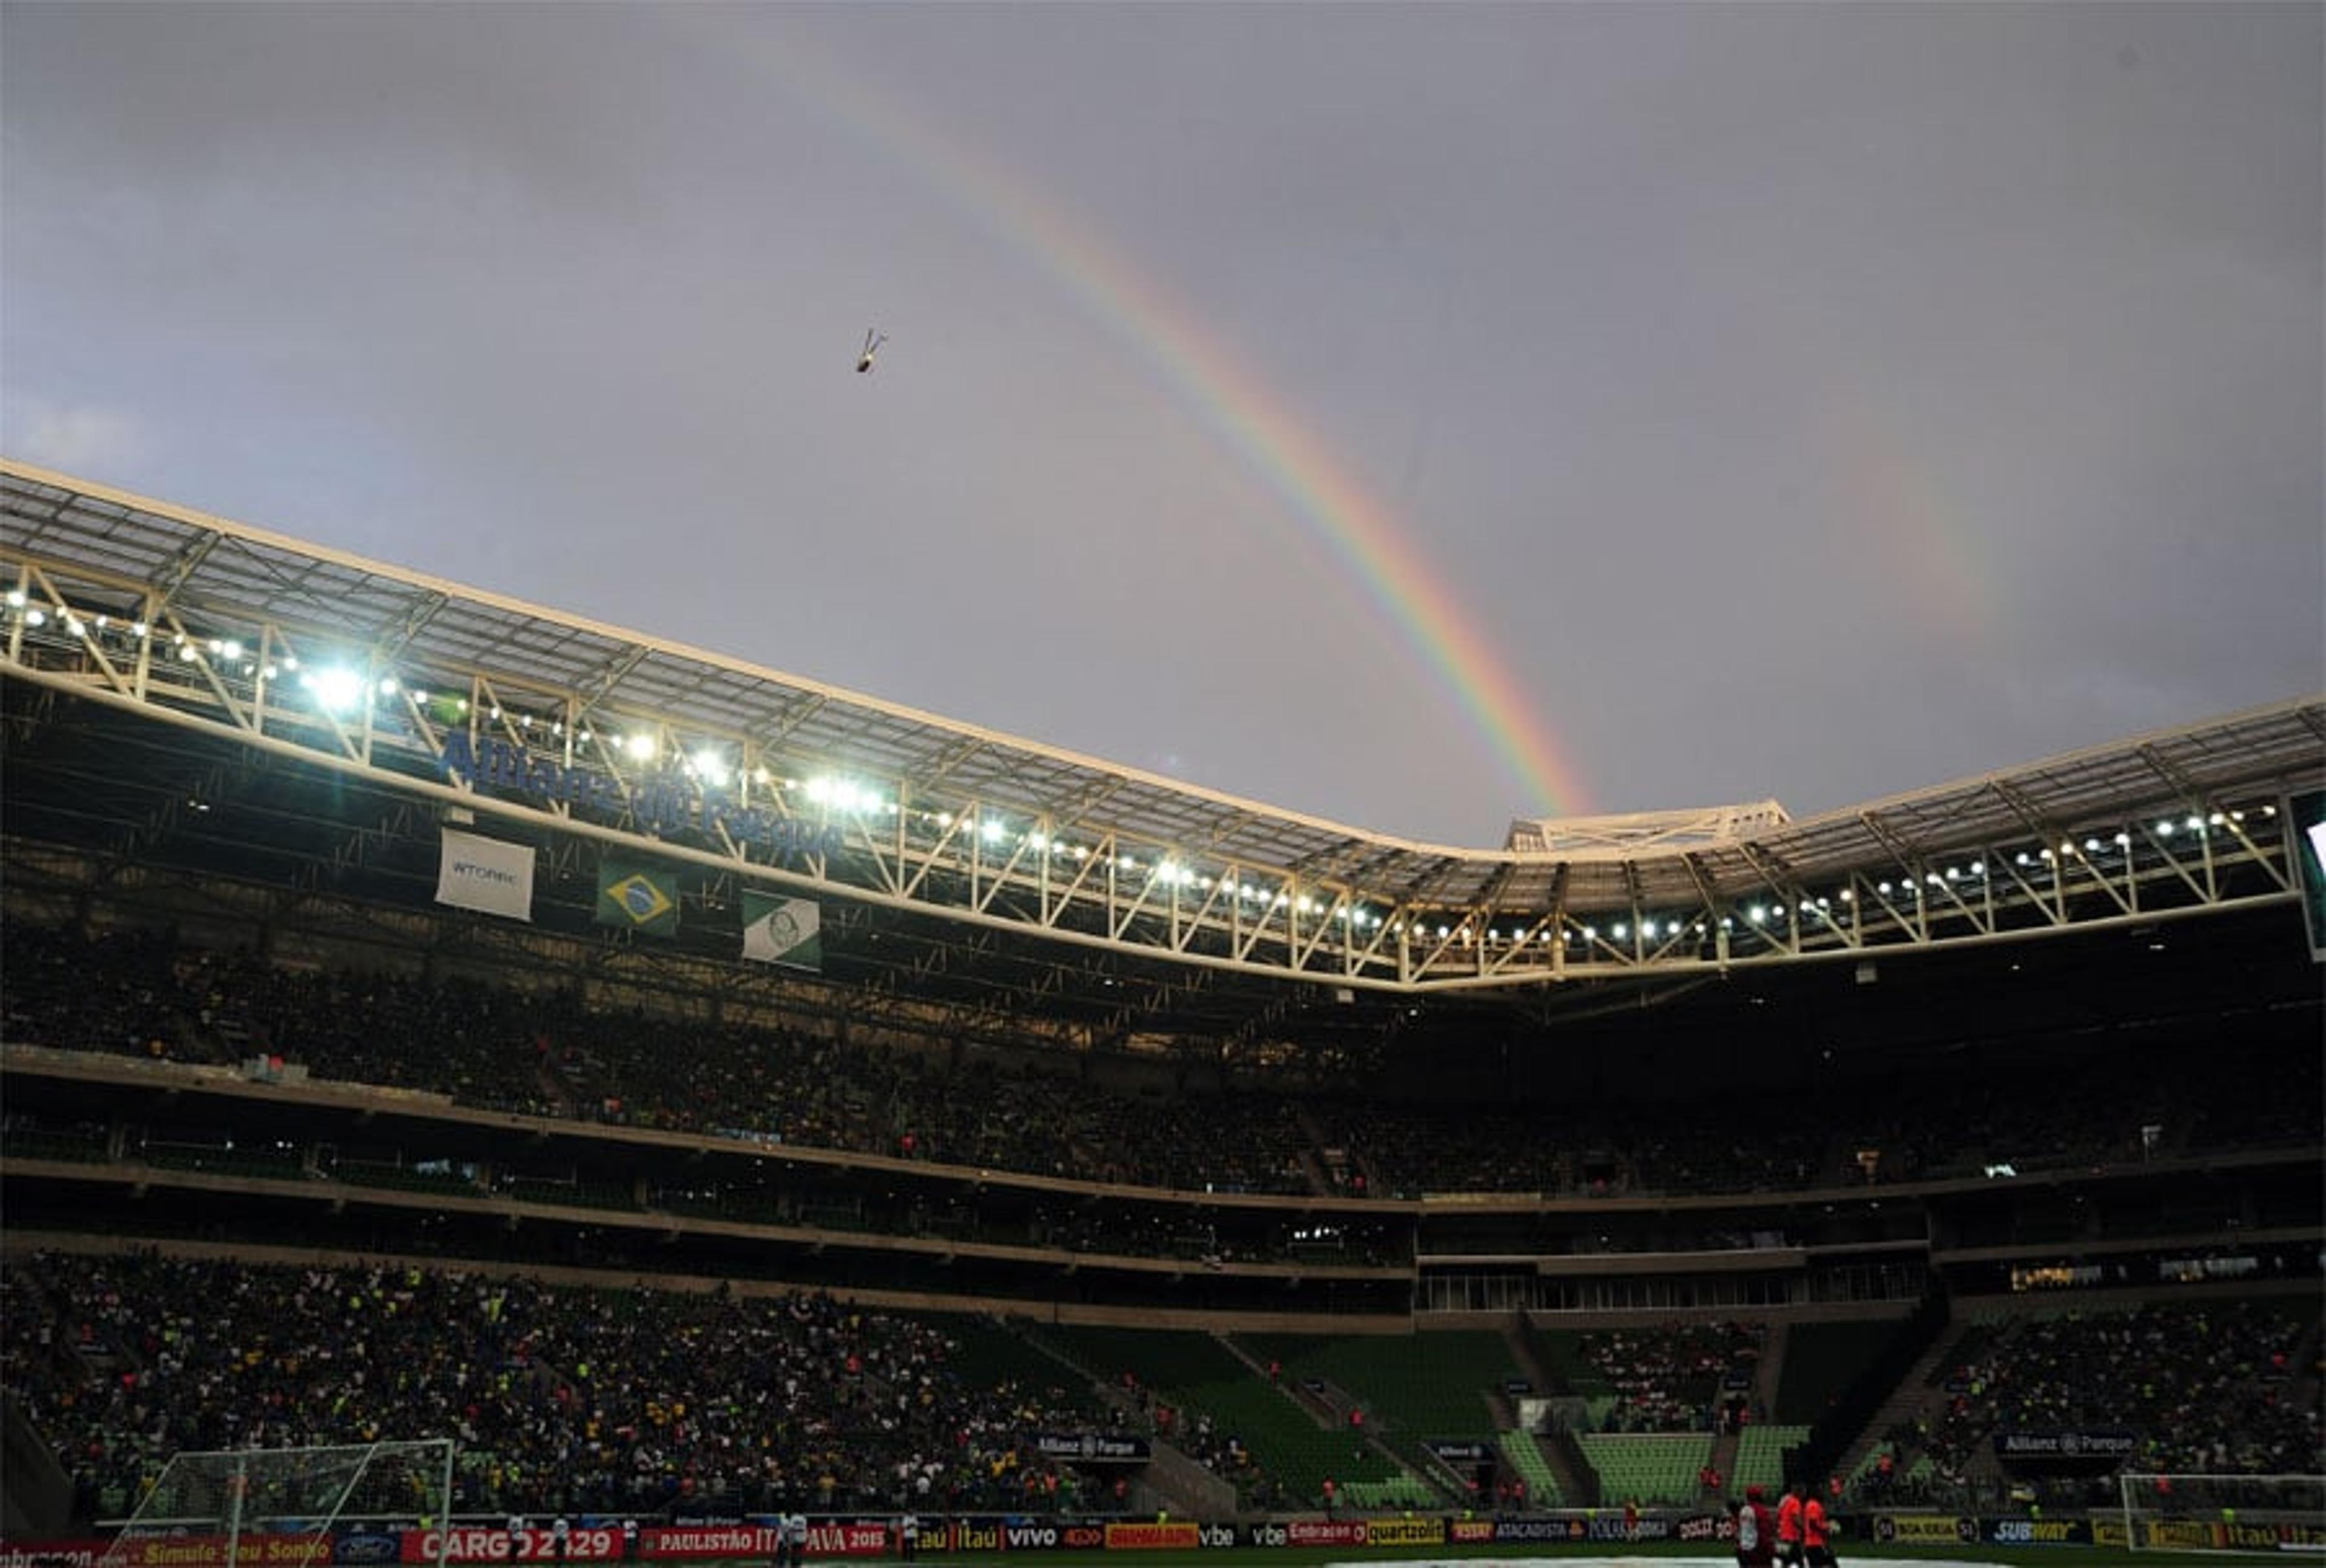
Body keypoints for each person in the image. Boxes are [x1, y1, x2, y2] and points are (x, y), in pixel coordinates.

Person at [1740, 1485, 1775, 1568]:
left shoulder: (1744, 1509)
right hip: (1758, 1549)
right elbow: (1764, 1531)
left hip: (1745, 1547)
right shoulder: (1760, 1510)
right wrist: (1770, 1548)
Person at [1803, 1483, 1836, 1568]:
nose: (1823, 1493)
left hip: (1813, 1543)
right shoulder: (1814, 1505)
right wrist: (1826, 1527)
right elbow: (1813, 1524)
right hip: (1815, 1544)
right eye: (1820, 1490)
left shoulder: (1812, 1504)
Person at [1776, 1483, 1806, 1568]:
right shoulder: (1796, 1502)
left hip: (1783, 1536)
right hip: (1792, 1538)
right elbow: (1796, 1519)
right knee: (1800, 1562)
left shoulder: (1786, 1502)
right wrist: (1804, 1528)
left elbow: (1779, 1516)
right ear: (1799, 1493)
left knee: (1785, 1562)